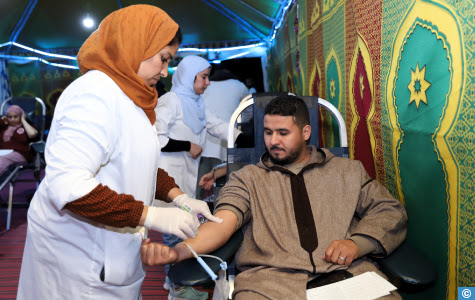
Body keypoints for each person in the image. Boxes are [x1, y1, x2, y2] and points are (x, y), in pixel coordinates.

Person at [17, 5, 221, 300]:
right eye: (163, 59)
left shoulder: (131, 96)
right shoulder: (92, 95)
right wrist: (150, 216)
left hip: (112, 251)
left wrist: (182, 198)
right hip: (78, 260)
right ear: (135, 45)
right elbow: (68, 187)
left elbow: (139, 163)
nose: (165, 71)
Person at [142, 94, 408, 299]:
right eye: (268, 133)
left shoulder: (347, 171)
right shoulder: (247, 178)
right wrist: (177, 252)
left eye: (283, 133)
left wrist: (358, 244)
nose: (273, 141)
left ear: (305, 133)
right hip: (269, 284)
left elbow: (389, 210)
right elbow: (222, 224)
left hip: (347, 275)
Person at [155, 55, 243, 300]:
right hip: (168, 177)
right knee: (174, 229)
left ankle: (172, 279)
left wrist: (246, 136)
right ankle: (177, 285)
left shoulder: (196, 102)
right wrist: (188, 145)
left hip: (185, 176)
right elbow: (156, 136)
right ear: (188, 76)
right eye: (204, 77)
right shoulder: (170, 101)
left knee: (181, 228)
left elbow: (215, 125)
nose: (208, 83)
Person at [196, 68, 249, 200]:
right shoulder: (239, 85)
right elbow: (248, 111)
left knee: (201, 187)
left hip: (204, 145)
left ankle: (200, 216)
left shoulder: (205, 86)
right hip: (230, 140)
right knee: (227, 186)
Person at [0, 105, 38, 176]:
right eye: (10, 117)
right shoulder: (4, 127)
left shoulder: (26, 127)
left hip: (19, 154)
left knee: (1, 160)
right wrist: (2, 122)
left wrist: (23, 120)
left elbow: (32, 134)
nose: (12, 119)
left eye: (15, 117)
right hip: (2, 152)